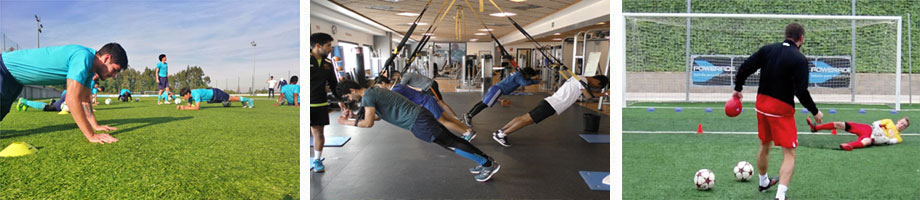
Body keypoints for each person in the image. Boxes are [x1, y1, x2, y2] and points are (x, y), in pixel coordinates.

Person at [336, 80, 500, 182]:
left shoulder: (368, 97)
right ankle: (485, 160)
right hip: (420, 116)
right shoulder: (374, 91)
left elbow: (368, 123)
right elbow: (378, 117)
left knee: (451, 144)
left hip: (417, 121)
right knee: (453, 140)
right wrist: (354, 117)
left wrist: (346, 122)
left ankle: (487, 164)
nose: (350, 100)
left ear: (352, 91)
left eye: (348, 97)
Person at [733, 23, 822, 200]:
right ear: (801, 38)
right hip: (781, 110)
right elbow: (801, 91)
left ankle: (764, 182)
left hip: (761, 105)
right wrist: (815, 111)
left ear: (786, 35)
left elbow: (745, 67)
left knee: (765, 144)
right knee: (789, 154)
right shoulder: (800, 59)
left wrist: (738, 88)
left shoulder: (768, 49)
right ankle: (780, 196)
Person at [1, 43, 128, 144]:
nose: (114, 76)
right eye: (114, 70)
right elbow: (72, 99)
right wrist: (91, 135)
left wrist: (95, 125)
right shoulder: (84, 56)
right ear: (106, 58)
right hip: (3, 68)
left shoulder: (90, 69)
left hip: (14, 80)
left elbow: (85, 99)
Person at [491, 75, 608, 147]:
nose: (594, 88)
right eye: (597, 87)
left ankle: (501, 131)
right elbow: (589, 96)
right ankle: (502, 134)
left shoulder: (578, 78)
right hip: (552, 105)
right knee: (526, 120)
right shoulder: (582, 80)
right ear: (598, 82)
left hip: (549, 103)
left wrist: (603, 93)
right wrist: (605, 94)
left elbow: (587, 93)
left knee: (525, 118)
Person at [373, 76, 476, 141]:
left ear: (383, 83)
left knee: (442, 121)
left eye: (379, 86)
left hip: (426, 102)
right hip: (428, 99)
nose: (379, 89)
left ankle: (466, 133)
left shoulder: (395, 90)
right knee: (447, 117)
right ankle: (468, 130)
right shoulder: (398, 85)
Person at [310, 32, 348, 173]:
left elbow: (333, 84)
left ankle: (317, 160)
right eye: (328, 45)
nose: (330, 48)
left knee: (319, 133)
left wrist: (340, 100)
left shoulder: (328, 63)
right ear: (318, 46)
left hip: (320, 103)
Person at [464, 67, 541, 127]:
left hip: (495, 88)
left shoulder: (518, 74)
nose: (529, 77)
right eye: (530, 76)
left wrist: (532, 79)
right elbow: (524, 83)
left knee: (483, 102)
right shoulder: (519, 75)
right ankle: (470, 116)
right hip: (498, 90)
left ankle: (468, 114)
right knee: (485, 104)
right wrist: (537, 81)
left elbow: (523, 80)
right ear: (528, 74)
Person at [806, 117, 909, 151]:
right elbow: (876, 123)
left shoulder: (898, 138)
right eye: (901, 123)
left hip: (872, 137)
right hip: (868, 129)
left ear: (905, 128)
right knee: (840, 124)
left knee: (867, 141)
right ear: (898, 121)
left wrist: (884, 138)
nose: (902, 125)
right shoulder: (889, 121)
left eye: (904, 126)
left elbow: (891, 141)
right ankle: (815, 128)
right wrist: (878, 128)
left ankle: (849, 145)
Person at [389, 71, 459, 119]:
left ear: (397, 75)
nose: (395, 80)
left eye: (394, 78)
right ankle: (437, 117)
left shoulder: (405, 76)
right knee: (428, 103)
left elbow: (401, 87)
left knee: (441, 103)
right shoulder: (405, 75)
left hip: (430, 86)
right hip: (425, 88)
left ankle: (456, 118)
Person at [176, 87, 253, 110]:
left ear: (188, 94)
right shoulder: (190, 97)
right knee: (227, 101)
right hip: (212, 98)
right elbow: (189, 106)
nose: (183, 98)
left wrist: (184, 108)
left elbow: (197, 108)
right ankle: (243, 101)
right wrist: (181, 107)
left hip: (216, 93)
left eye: (184, 96)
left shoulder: (195, 94)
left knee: (231, 98)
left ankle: (249, 100)